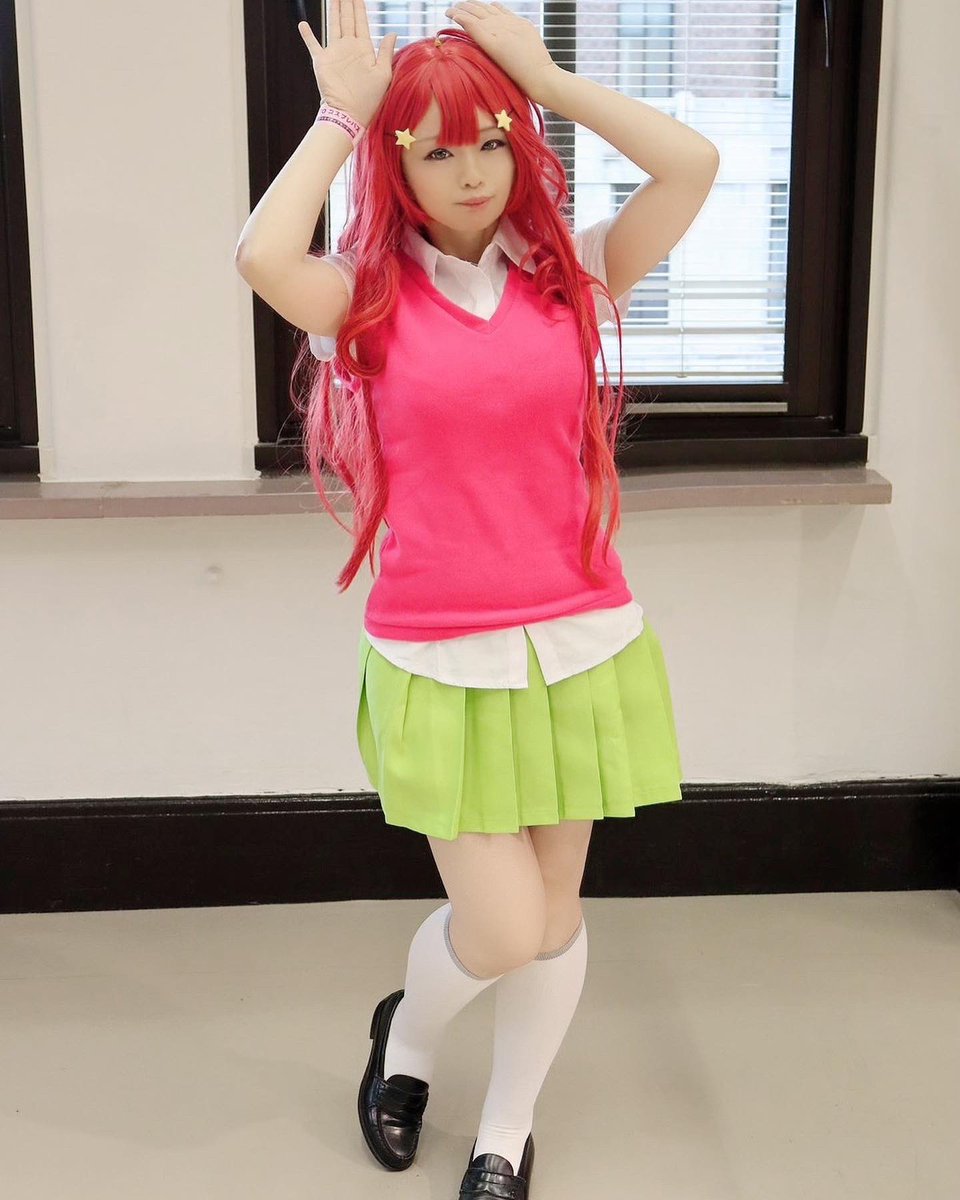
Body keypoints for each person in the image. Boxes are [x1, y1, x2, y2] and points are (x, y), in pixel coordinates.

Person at [235, 2, 718, 1196]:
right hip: (440, 655)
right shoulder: (366, 300)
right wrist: (341, 119)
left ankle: (506, 1130)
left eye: (492, 141)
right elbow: (260, 258)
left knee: (552, 921)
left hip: (580, 640)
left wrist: (548, 78)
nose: (471, 173)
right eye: (438, 148)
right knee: (500, 929)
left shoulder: (571, 276)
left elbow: (693, 166)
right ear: (398, 165)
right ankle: (405, 1037)